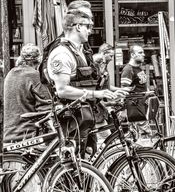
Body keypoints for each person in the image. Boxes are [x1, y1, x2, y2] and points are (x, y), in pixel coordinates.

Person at [47, 9, 127, 156]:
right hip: (70, 120)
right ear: (77, 26)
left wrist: (107, 94)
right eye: (88, 26)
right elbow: (62, 90)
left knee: (88, 157)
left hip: (84, 117)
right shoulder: (62, 54)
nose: (90, 31)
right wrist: (96, 93)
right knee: (73, 166)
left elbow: (89, 82)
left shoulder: (83, 52)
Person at [4, 44, 52, 143]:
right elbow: (46, 108)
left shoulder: (10, 74)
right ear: (39, 61)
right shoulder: (35, 76)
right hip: (28, 136)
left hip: (7, 134)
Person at [121, 45, 152, 137]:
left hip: (142, 107)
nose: (143, 54)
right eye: (140, 52)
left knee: (142, 136)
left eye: (143, 52)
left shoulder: (138, 68)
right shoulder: (128, 70)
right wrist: (123, 109)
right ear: (132, 55)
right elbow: (124, 91)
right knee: (144, 135)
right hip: (135, 109)